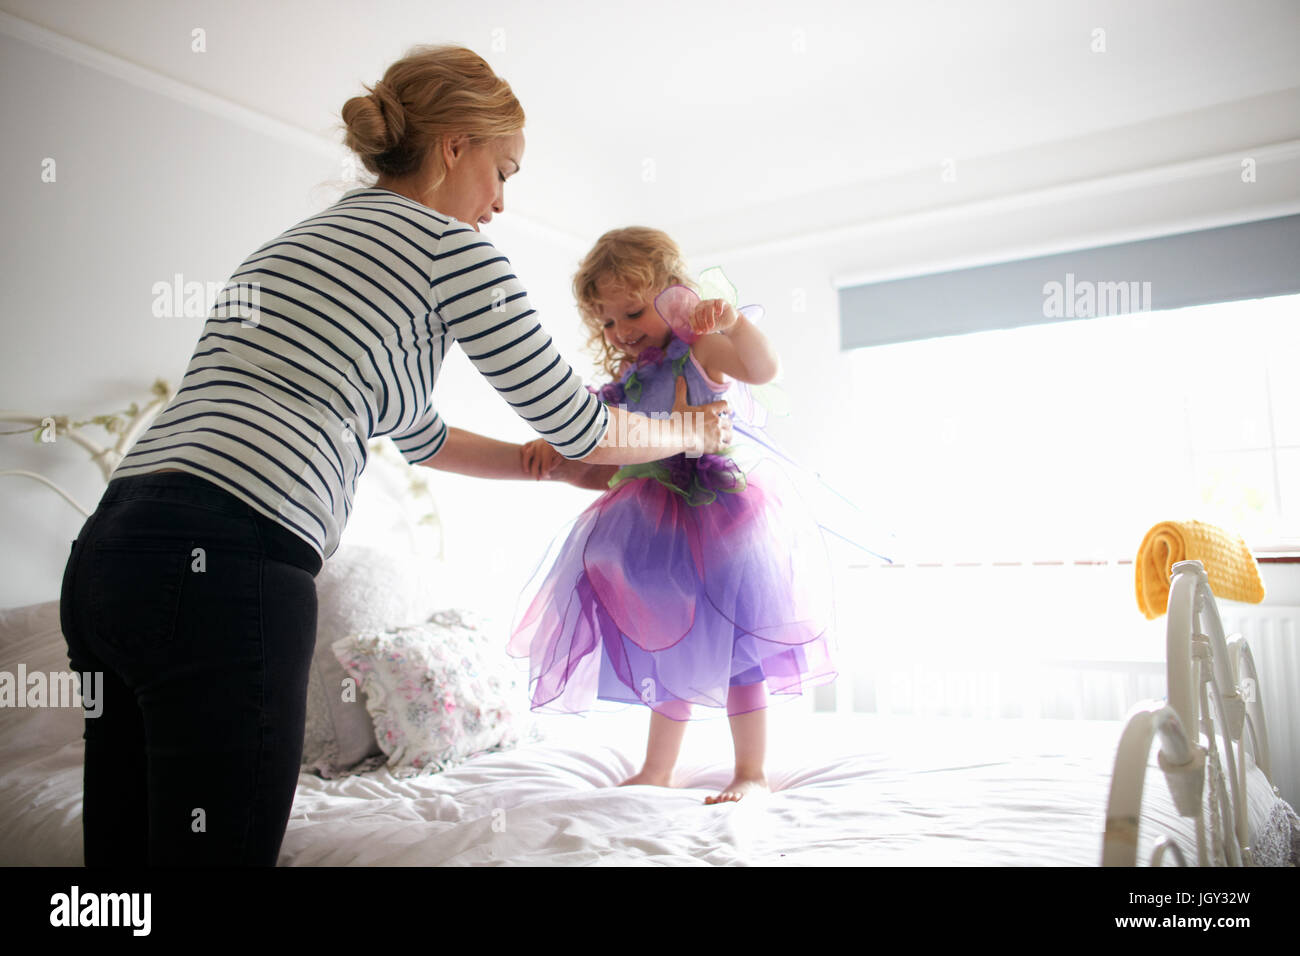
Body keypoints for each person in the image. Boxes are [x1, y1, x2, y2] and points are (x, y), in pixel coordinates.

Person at [58, 45, 732, 867]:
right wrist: (694, 431)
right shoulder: (451, 248)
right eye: (503, 171)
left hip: (108, 556)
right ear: (455, 146)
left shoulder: (299, 245)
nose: (500, 202)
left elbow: (419, 431)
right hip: (229, 559)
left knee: (118, 875)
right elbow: (579, 423)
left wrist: (543, 463)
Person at [511, 227, 838, 805]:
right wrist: (559, 463)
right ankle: (658, 768)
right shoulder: (626, 385)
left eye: (633, 312)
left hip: (720, 521)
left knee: (739, 647)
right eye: (608, 322)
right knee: (667, 642)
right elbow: (606, 465)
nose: (620, 331)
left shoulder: (699, 350)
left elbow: (762, 369)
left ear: (672, 294)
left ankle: (750, 771)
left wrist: (733, 323)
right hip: (650, 528)